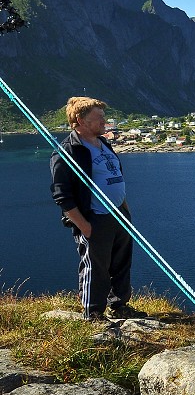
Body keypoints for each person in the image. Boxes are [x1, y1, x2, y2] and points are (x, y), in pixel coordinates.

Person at [50, 97, 146, 320]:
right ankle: (93, 313)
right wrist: (85, 227)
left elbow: (115, 178)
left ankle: (120, 305)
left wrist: (125, 211)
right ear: (80, 121)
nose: (105, 121)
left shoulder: (103, 144)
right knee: (96, 267)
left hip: (118, 215)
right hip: (95, 218)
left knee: (122, 262)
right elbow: (62, 196)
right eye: (99, 118)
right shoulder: (67, 152)